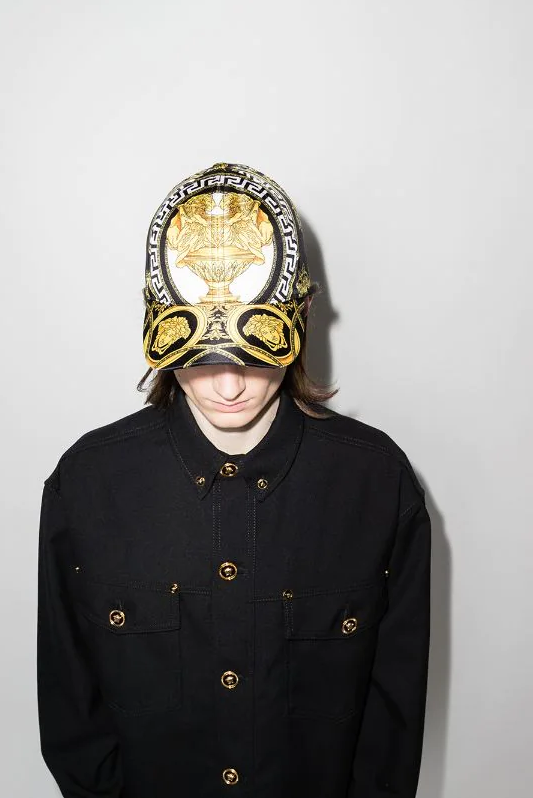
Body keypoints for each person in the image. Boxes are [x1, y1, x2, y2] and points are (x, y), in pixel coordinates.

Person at [37, 162, 431, 798]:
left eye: (253, 356)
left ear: (302, 316)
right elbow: (70, 707)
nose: (228, 386)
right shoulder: (86, 486)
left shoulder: (378, 485)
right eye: (200, 360)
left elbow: (394, 714)